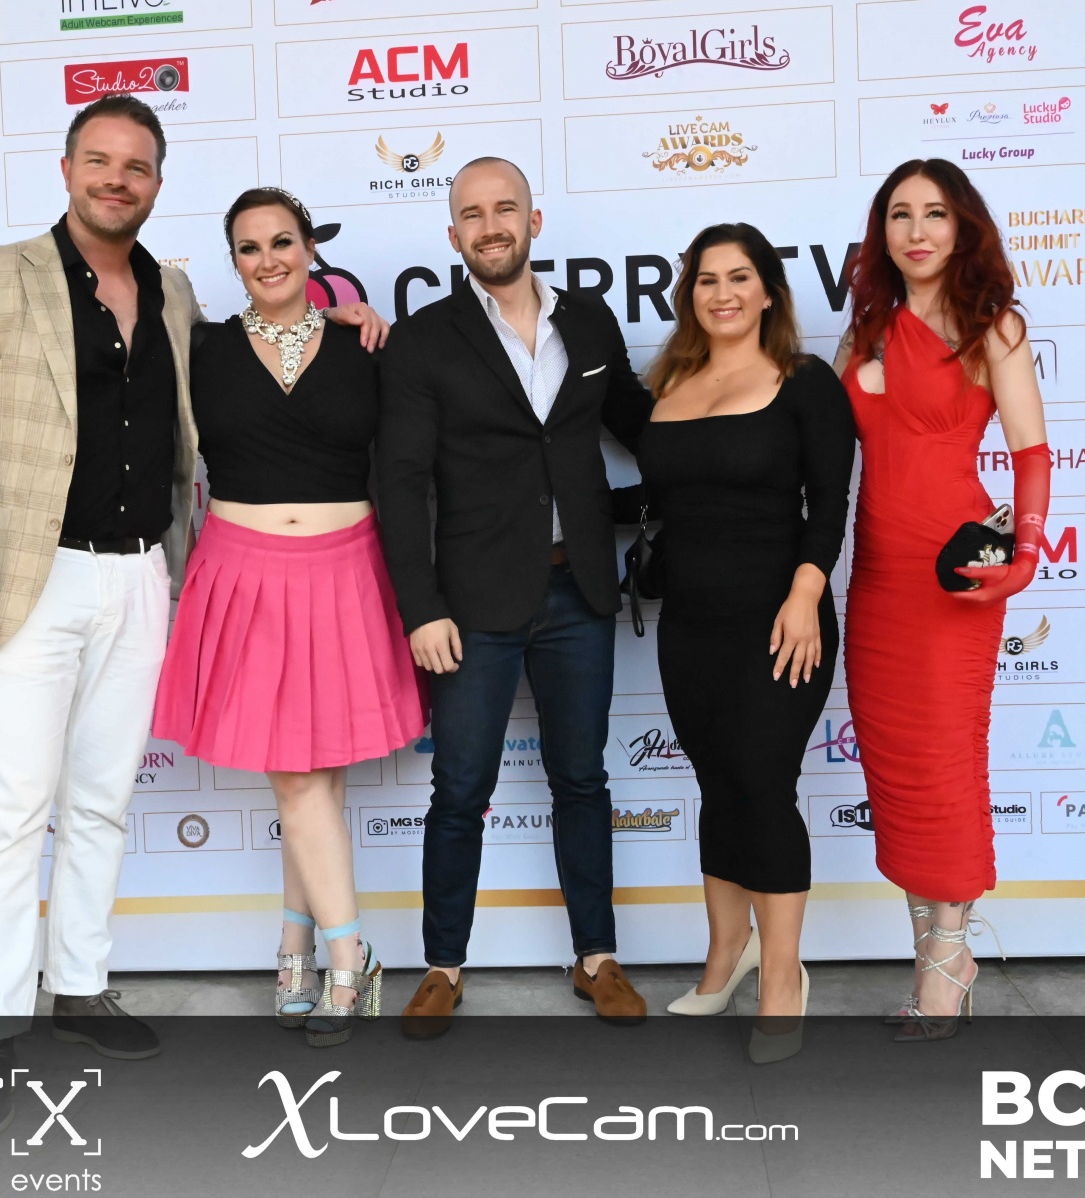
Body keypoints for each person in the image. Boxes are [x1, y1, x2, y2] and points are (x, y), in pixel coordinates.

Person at [0, 96, 386, 1136]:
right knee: (6, 816)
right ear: (67, 168)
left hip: (139, 576)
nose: (116, 179)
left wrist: (344, 317)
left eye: (136, 166)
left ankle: (80, 989)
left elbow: (255, 368)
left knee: (100, 803)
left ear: (158, 183)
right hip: (21, 582)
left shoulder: (172, 292)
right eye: (99, 160)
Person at [376, 157, 654, 1035]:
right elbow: (399, 484)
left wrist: (749, 401)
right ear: (452, 234)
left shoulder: (589, 320)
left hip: (580, 590)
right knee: (460, 788)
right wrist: (420, 608)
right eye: (472, 214)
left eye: (505, 209)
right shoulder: (425, 340)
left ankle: (597, 957)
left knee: (583, 779)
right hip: (470, 604)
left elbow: (640, 426)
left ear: (534, 221)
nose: (490, 225)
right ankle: (442, 966)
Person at [151, 187, 424, 1047]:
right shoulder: (201, 349)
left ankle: (297, 949)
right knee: (300, 781)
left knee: (318, 780)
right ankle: (354, 961)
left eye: (281, 241)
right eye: (248, 247)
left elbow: (407, 463)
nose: (266, 259)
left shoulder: (365, 344)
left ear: (309, 248)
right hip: (244, 576)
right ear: (231, 261)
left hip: (348, 572)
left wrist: (354, 319)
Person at [612, 224, 855, 1063]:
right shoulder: (668, 384)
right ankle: (725, 958)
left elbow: (830, 502)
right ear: (690, 295)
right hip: (690, 624)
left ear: (768, 292)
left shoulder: (805, 381)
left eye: (739, 277)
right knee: (718, 786)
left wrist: (805, 594)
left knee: (762, 786)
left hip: (780, 620)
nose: (722, 293)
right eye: (707, 279)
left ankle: (783, 979)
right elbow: (666, 495)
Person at [835, 158, 1050, 1041]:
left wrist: (1027, 554)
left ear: (962, 227)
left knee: (947, 765)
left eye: (933, 213)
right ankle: (936, 954)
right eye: (899, 214)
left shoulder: (992, 325)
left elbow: (1032, 451)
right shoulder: (864, 330)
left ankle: (948, 961)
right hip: (877, 578)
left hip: (953, 578)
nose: (916, 231)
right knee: (896, 770)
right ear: (881, 231)